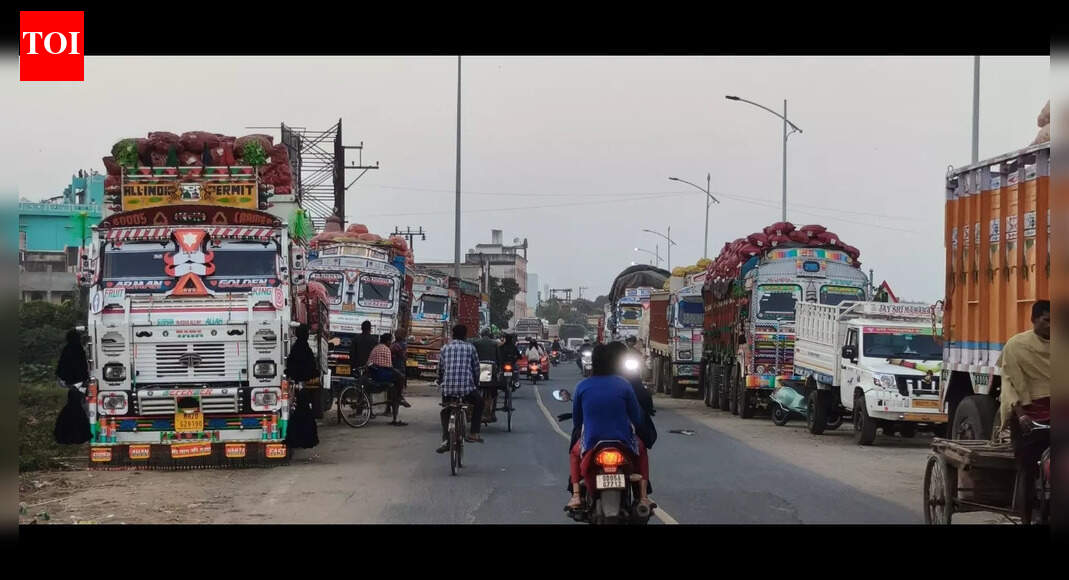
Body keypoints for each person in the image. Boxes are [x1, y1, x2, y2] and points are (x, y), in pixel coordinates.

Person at [566, 344, 649, 510]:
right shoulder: (624, 384)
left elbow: (577, 421)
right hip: (623, 442)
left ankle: (576, 495)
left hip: (592, 443)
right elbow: (636, 416)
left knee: (574, 453)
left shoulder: (582, 386)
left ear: (593, 363)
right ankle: (643, 497)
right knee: (642, 450)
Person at [996, 299, 1050, 518]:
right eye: (1046, 321)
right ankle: (1026, 517)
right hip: (1029, 418)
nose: (1051, 326)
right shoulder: (1016, 346)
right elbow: (1009, 383)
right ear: (1033, 320)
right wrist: (1021, 414)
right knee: (1027, 470)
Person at [436, 324, 485, 453]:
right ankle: (474, 433)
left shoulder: (445, 348)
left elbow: (440, 369)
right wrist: (475, 383)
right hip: (466, 389)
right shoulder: (470, 348)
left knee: (446, 410)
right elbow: (476, 369)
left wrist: (441, 382)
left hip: (448, 389)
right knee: (479, 402)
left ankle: (446, 440)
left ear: (452, 334)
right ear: (465, 335)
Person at [284, 324, 320, 449]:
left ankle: (295, 440)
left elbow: (289, 367)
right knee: (305, 414)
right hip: (303, 387)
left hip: (295, 386)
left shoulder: (295, 348)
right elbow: (311, 369)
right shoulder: (305, 349)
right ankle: (306, 440)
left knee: (296, 414)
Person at [368, 333, 407, 426]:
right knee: (400, 377)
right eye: (390, 341)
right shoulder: (386, 349)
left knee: (397, 375)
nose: (391, 342)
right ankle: (400, 395)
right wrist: (397, 372)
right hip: (382, 374)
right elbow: (389, 366)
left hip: (374, 373)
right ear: (387, 341)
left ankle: (398, 396)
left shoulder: (375, 348)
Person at [472, 328, 503, 422]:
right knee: (494, 392)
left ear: (481, 334)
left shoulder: (476, 343)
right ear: (490, 335)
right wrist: (499, 369)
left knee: (475, 388)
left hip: (479, 369)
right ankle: (492, 413)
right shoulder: (494, 343)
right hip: (491, 369)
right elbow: (498, 359)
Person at [390, 334, 412, 408]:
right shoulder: (402, 345)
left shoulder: (393, 344)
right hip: (399, 369)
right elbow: (403, 357)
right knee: (398, 390)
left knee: (391, 390)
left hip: (392, 369)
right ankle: (400, 399)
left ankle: (388, 409)